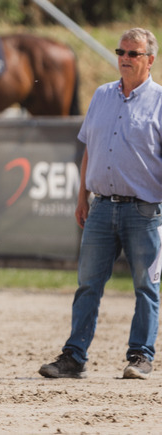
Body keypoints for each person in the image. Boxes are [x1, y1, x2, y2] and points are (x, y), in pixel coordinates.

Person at [39, 28, 162, 380]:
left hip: (145, 211)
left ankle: (140, 356)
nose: (124, 57)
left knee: (146, 287)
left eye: (133, 53)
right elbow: (90, 148)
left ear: (149, 60)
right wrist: (83, 196)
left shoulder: (160, 101)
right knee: (88, 284)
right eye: (121, 51)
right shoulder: (102, 95)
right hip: (102, 207)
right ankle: (74, 356)